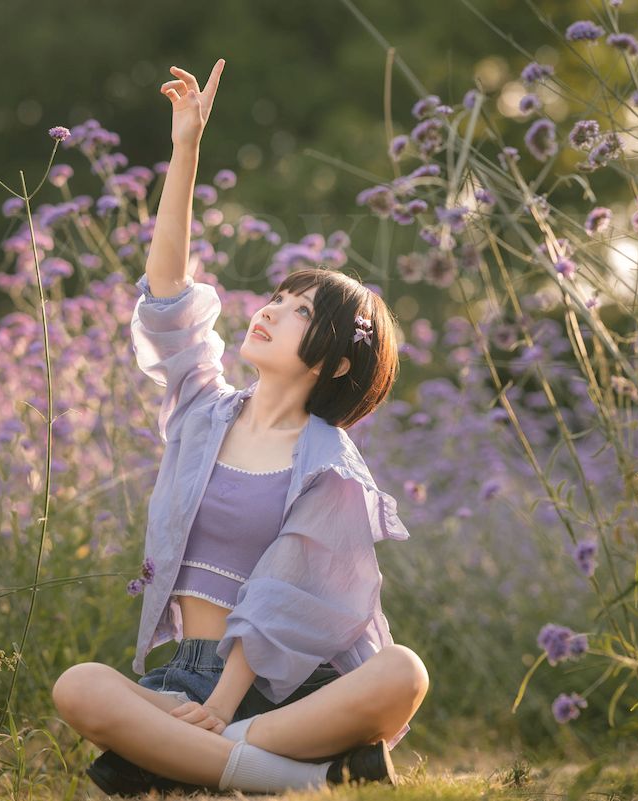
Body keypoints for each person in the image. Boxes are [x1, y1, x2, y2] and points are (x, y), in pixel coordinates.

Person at [52, 58, 429, 796]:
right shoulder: (202, 409)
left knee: (403, 673)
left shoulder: (331, 466)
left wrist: (221, 706)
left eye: (297, 311)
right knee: (80, 686)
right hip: (183, 673)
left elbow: (289, 597)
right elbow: (167, 294)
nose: (269, 308)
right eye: (278, 296)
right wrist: (185, 147)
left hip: (286, 689)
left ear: (335, 363)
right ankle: (297, 774)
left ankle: (183, 758)